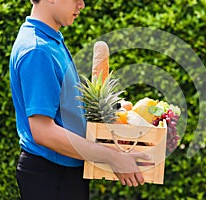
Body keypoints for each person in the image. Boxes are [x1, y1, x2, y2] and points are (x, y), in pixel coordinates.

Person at [9, 0, 149, 199]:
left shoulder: (50, 39)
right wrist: (112, 158)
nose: (81, 5)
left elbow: (64, 110)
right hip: (51, 176)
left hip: (63, 171)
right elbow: (43, 131)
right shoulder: (38, 50)